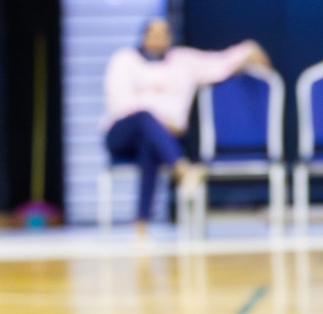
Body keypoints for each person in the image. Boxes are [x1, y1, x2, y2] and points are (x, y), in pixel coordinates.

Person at [102, 19, 269, 229]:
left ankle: (141, 222)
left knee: (150, 145)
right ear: (143, 36)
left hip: (157, 139)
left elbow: (218, 62)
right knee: (146, 118)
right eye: (153, 33)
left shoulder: (182, 61)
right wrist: (162, 120)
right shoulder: (124, 60)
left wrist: (248, 50)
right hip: (122, 134)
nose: (158, 39)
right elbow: (121, 105)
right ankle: (182, 169)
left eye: (163, 34)